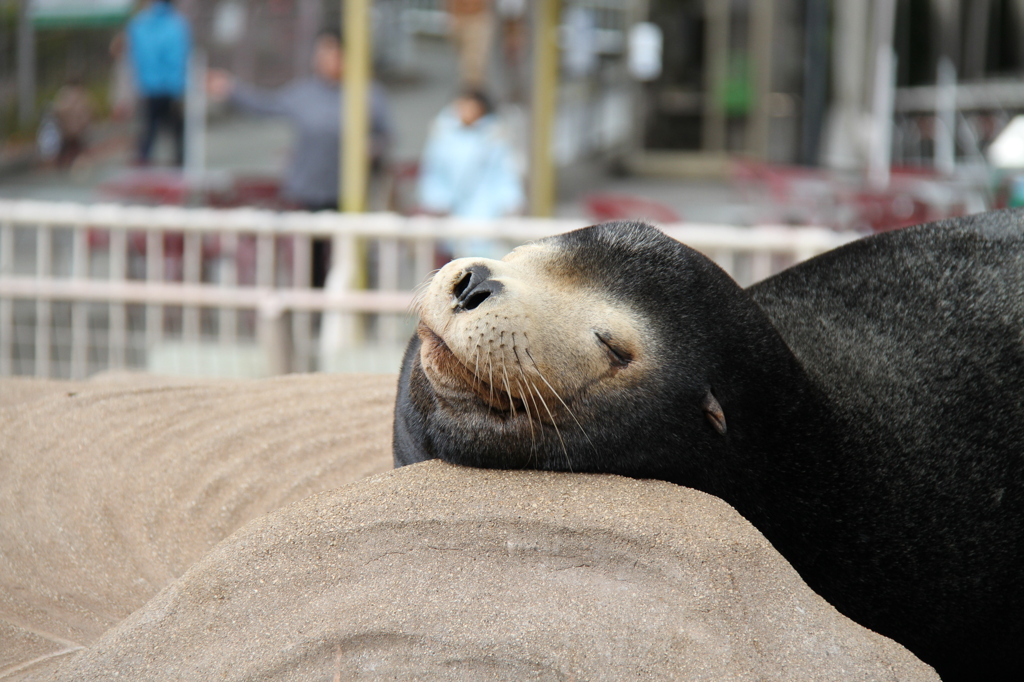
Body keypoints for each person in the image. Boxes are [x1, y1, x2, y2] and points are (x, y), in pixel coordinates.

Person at [207, 28, 394, 287]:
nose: (326, 59)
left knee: (353, 257)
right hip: (309, 192)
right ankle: (315, 313)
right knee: (311, 261)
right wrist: (232, 90)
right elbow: (266, 105)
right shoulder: (305, 94)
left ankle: (359, 313)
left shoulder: (367, 94)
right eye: (322, 53)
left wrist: (372, 148)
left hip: (350, 193)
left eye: (333, 53)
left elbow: (386, 136)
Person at [418, 89, 524, 258]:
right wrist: (437, 202)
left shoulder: (495, 137)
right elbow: (434, 173)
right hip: (452, 215)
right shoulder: (442, 135)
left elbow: (504, 174)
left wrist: (510, 201)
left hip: (488, 215)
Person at [127, 0, 191, 166]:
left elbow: (136, 56)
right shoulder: (177, 24)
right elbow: (181, 57)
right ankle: (180, 160)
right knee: (176, 128)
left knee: (149, 127)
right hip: (172, 86)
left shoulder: (139, 24)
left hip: (148, 86)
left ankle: (143, 159)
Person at [448, 0, 493, 87]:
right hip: (457, 18)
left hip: (477, 17)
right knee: (464, 65)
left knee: (473, 70)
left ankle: (472, 95)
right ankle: (471, 94)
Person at [52, 75, 94, 168]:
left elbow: (57, 110)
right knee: (78, 149)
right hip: (77, 130)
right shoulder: (82, 94)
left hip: (66, 129)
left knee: (66, 148)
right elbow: (88, 111)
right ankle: (78, 166)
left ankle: (62, 166)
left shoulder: (63, 94)